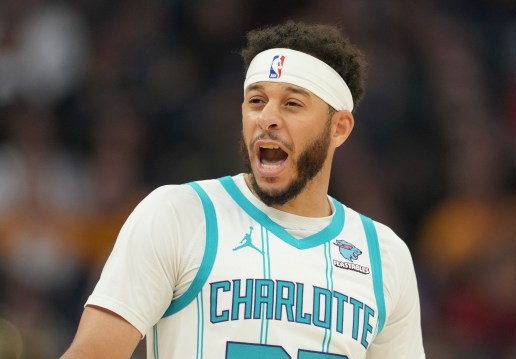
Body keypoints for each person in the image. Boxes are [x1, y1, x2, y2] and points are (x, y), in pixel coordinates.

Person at [62, 21, 425, 358]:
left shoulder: (385, 255)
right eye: (256, 100)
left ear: (339, 128)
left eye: (293, 103)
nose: (266, 117)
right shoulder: (179, 214)